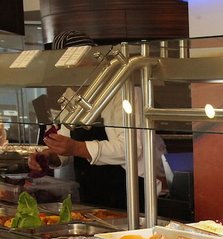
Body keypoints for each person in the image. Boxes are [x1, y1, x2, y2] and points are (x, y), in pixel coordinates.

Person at [29, 30, 167, 209]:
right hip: (90, 190)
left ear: (94, 61)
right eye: (64, 67)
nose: (69, 72)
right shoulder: (72, 95)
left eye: (74, 65)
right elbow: (66, 144)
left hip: (130, 189)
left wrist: (78, 148)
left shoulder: (125, 91)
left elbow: (132, 148)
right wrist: (49, 156)